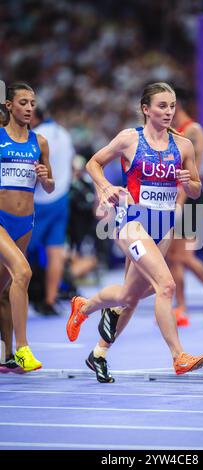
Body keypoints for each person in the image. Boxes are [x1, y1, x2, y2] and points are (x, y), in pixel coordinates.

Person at [66, 82, 203, 382]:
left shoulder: (183, 145)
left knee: (129, 297)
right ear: (146, 109)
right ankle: (178, 356)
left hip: (164, 227)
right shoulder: (130, 138)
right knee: (165, 286)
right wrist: (106, 188)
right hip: (133, 222)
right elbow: (94, 163)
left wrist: (188, 181)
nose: (168, 111)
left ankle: (88, 319)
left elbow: (196, 190)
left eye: (171, 106)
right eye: (161, 106)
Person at [0, 82, 54, 372]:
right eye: (23, 102)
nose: (29, 108)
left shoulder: (40, 142)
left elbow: (50, 185)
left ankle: (5, 354)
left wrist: (45, 178)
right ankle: (23, 349)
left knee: (5, 286)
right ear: (9, 106)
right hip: (0, 219)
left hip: (25, 222)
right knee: (23, 273)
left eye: (32, 103)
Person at [167, 88, 203, 327]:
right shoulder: (169, 132)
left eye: (168, 106)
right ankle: (181, 307)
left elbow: (193, 173)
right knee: (173, 258)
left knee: (185, 257)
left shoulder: (193, 130)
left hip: (189, 198)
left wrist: (181, 201)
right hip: (172, 198)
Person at [27, 106, 75, 315]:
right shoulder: (64, 134)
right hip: (61, 197)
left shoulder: (36, 136)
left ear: (35, 118)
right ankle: (50, 299)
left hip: (38, 199)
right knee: (55, 251)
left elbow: (32, 168)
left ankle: (11, 297)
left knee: (20, 249)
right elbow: (73, 166)